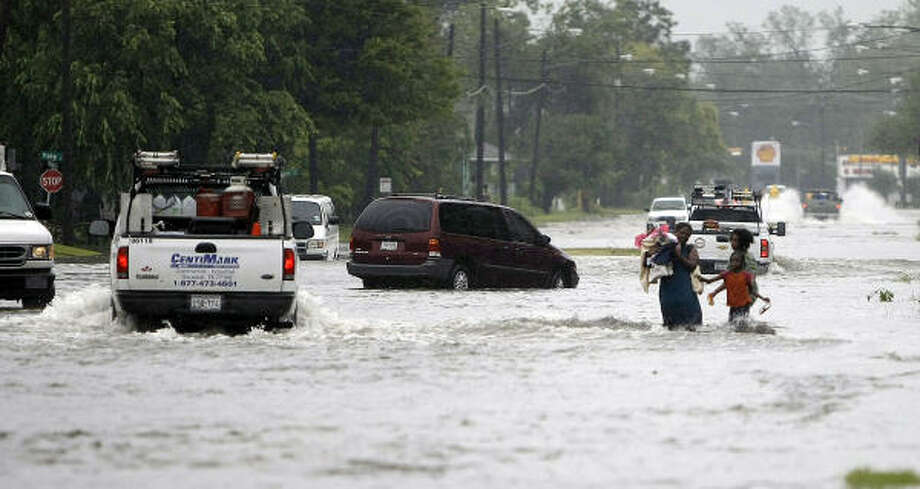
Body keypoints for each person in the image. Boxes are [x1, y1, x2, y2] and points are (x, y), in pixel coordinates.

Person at [703, 251, 770, 325]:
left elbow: (752, 291)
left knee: (742, 323)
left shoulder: (746, 276)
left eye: (737, 261)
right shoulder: (726, 274)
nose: (734, 263)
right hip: (733, 304)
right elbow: (709, 281)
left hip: (744, 304)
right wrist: (698, 278)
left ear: (742, 263)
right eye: (732, 261)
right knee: (731, 323)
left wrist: (763, 298)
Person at [658, 222, 702, 331]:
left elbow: (692, 266)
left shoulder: (690, 248)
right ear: (675, 233)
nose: (684, 236)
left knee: (693, 325)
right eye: (682, 233)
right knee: (670, 326)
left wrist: (679, 256)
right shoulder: (665, 248)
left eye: (687, 235)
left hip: (685, 290)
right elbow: (650, 263)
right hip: (668, 291)